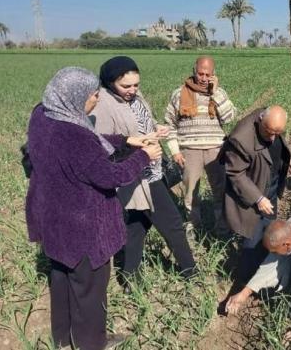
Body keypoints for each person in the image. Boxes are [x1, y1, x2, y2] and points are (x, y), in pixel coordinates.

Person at [25, 67, 162, 350]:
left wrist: (126, 141)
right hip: (83, 227)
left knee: (62, 277)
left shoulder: (43, 115)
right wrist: (144, 156)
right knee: (90, 288)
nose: (97, 99)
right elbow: (111, 176)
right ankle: (92, 343)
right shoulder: (75, 135)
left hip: (53, 219)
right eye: (93, 94)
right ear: (74, 96)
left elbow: (89, 146)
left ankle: (63, 339)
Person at [91, 56, 196, 286]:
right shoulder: (103, 106)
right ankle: (191, 273)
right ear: (109, 82)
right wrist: (138, 145)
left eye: (136, 84)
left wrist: (155, 128)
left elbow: (143, 121)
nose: (132, 90)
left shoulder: (136, 98)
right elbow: (103, 147)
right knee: (173, 224)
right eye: (125, 86)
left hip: (151, 169)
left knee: (137, 226)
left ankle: (130, 279)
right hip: (136, 176)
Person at [220, 105, 291, 284]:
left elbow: (274, 150)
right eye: (269, 132)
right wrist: (258, 198)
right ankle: (245, 278)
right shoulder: (240, 140)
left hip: (269, 185)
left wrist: (289, 162)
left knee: (270, 229)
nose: (273, 137)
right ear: (260, 120)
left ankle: (266, 268)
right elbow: (235, 174)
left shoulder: (271, 123)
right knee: (253, 236)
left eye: (277, 133)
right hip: (252, 190)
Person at [164, 56, 236, 236]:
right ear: (194, 71)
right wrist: (174, 151)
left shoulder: (219, 93)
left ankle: (222, 226)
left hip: (216, 150)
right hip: (190, 150)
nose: (203, 78)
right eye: (200, 73)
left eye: (207, 74)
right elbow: (169, 124)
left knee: (220, 189)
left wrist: (216, 92)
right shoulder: (179, 94)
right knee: (190, 192)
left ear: (213, 75)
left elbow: (229, 117)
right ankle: (193, 225)